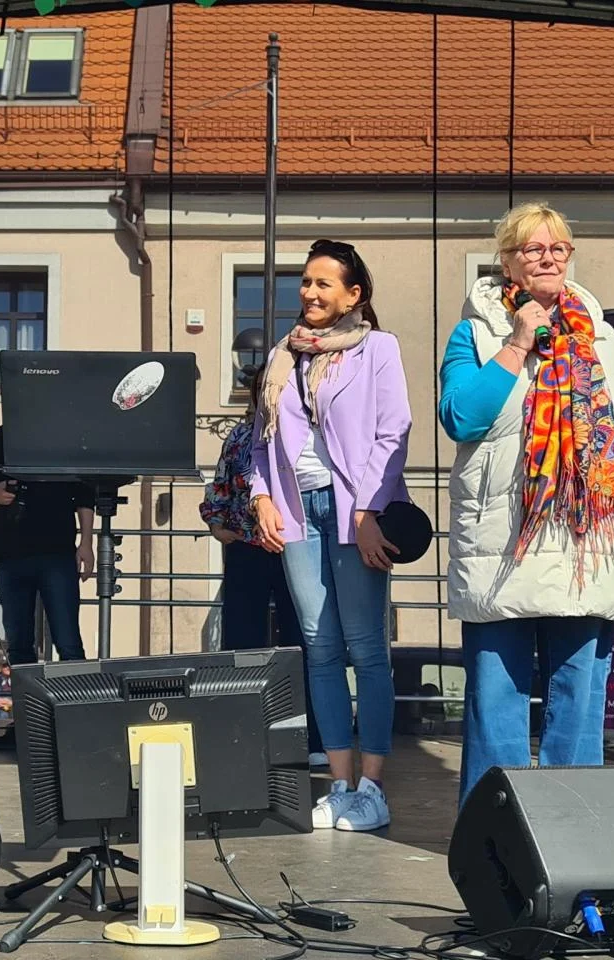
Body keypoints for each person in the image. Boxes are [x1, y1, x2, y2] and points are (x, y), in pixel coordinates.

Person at [438, 201, 614, 807]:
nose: (548, 258)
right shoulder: (477, 332)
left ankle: (573, 832)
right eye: (533, 248)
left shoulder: (607, 341)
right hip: (503, 544)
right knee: (495, 704)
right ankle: (493, 840)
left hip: (584, 544)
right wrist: (518, 344)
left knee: (579, 700)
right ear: (507, 262)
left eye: (558, 248)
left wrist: (585, 488)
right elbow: (461, 416)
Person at [249, 239, 412, 832]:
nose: (310, 293)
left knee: (366, 649)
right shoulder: (282, 356)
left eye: (324, 283)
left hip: (354, 510)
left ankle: (373, 788)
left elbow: (394, 433)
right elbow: (261, 440)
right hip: (297, 512)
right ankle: (340, 785)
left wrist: (367, 513)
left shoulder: (378, 349)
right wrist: (261, 497)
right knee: (319, 647)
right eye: (306, 282)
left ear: (353, 294)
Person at [199, 364, 325, 768]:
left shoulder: (301, 435)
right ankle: (239, 734)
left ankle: (313, 738)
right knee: (241, 642)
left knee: (302, 641)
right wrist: (218, 526)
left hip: (293, 547)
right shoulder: (239, 437)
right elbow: (220, 485)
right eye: (262, 390)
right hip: (247, 548)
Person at [0, 426, 95, 752]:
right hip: (12, 556)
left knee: (68, 643)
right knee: (19, 647)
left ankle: (75, 724)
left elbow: (85, 494)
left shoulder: (65, 438)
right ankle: (25, 729)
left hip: (57, 554)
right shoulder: (1, 437)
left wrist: (86, 543)